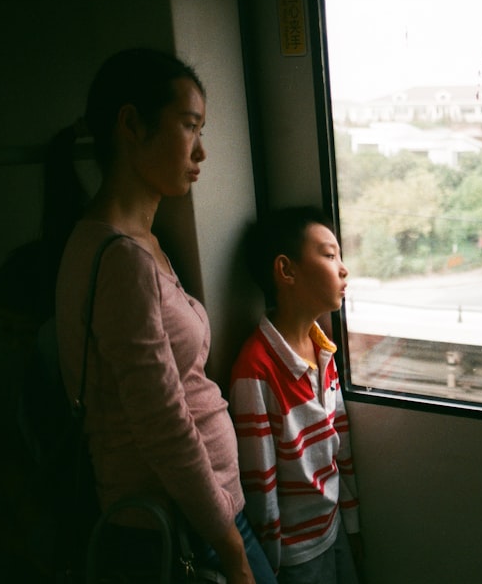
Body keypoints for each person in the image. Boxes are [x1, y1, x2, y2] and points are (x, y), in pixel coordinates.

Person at [54, 48, 276, 584]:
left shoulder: (138, 244)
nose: (200, 151)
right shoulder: (121, 261)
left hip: (200, 515)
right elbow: (163, 426)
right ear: (131, 124)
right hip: (181, 527)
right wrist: (231, 550)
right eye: (189, 126)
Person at [230, 206, 363, 583]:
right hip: (295, 553)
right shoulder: (256, 369)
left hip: (332, 526)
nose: (343, 268)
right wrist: (269, 566)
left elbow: (342, 447)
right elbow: (262, 484)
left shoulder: (323, 350)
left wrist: (351, 525)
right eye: (329, 254)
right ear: (286, 271)